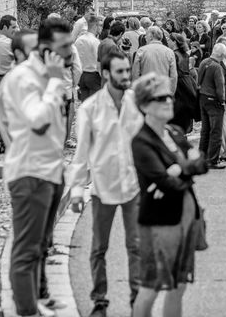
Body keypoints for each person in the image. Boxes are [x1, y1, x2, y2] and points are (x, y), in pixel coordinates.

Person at [0, 17, 73, 317]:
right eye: (64, 47)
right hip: (30, 173)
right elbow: (37, 121)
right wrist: (54, 82)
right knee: (27, 250)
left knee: (41, 245)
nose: (69, 53)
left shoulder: (46, 76)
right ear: (45, 48)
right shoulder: (24, 79)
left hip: (50, 171)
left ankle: (36, 303)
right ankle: (26, 311)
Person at [68, 50, 144, 317]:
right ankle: (99, 300)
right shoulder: (90, 109)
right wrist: (77, 190)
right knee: (99, 247)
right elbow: (81, 155)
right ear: (106, 74)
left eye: (128, 71)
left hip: (133, 185)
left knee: (135, 245)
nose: (126, 76)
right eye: (121, 72)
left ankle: (137, 300)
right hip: (103, 187)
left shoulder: (137, 102)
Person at [130, 73, 208, 317]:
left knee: (179, 284)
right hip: (159, 222)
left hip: (186, 215)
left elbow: (203, 163)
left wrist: (179, 168)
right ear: (144, 105)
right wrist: (187, 166)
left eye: (169, 96)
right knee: (151, 286)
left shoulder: (174, 132)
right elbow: (165, 183)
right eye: (160, 97)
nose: (168, 101)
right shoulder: (141, 141)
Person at [0, 15, 18, 147]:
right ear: (5, 27)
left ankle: (2, 141)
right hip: (7, 77)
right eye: (13, 27)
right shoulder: (9, 43)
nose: (16, 29)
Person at [197, 43, 226, 170]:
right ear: (223, 54)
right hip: (213, 100)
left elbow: (198, 80)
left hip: (203, 98)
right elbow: (220, 88)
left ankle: (201, 157)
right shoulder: (217, 67)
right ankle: (213, 160)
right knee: (216, 131)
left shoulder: (204, 62)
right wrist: (223, 100)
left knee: (205, 130)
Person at [168, 33, 200, 134]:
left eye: (169, 39)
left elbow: (174, 72)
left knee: (178, 108)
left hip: (179, 82)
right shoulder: (185, 54)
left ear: (174, 42)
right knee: (186, 106)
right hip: (187, 81)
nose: (168, 41)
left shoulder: (173, 54)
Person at [132, 26, 178, 93]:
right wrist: (171, 92)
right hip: (164, 91)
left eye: (146, 35)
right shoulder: (169, 52)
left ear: (151, 36)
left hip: (146, 92)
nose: (145, 37)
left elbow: (135, 74)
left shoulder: (141, 51)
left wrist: (136, 93)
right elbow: (173, 76)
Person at [75, 16, 102, 101]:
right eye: (100, 25)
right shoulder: (95, 42)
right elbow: (99, 61)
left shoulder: (79, 40)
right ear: (95, 26)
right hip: (93, 75)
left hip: (82, 75)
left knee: (85, 103)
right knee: (95, 104)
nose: (101, 28)